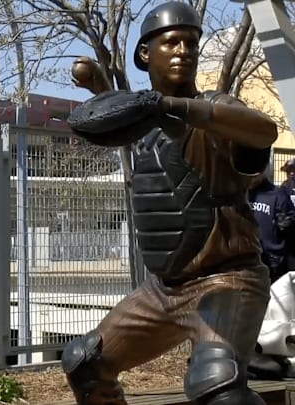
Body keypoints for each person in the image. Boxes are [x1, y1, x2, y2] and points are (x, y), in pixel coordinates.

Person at [62, 2, 278, 404]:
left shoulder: (217, 109)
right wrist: (100, 91)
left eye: (191, 43)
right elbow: (126, 114)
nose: (184, 50)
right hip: (162, 292)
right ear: (146, 53)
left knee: (217, 381)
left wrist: (175, 107)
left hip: (227, 281)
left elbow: (264, 130)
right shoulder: (145, 117)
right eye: (172, 41)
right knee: (84, 362)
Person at [248, 171, 295, 283]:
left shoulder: (278, 195)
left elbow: (291, 234)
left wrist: (289, 224)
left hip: (273, 266)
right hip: (246, 264)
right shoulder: (239, 195)